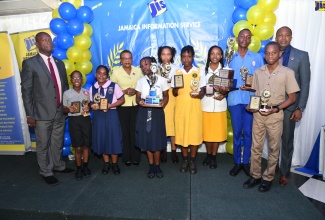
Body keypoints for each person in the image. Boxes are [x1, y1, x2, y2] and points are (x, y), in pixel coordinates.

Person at [243, 41, 300, 192]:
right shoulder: (258, 72)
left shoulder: (287, 73)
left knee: (274, 148)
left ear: (280, 53)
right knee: (256, 147)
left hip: (275, 116)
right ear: (264, 54)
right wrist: (251, 106)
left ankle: (268, 178)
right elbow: (255, 95)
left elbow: (292, 98)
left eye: (273, 52)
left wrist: (276, 108)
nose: (270, 56)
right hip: (259, 115)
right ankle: (255, 176)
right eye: (267, 53)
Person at [21, 32, 74, 186]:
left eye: (49, 39)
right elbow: (26, 90)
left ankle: (58, 165)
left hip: (59, 111)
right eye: (43, 40)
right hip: (41, 112)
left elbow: (64, 86)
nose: (48, 42)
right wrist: (30, 114)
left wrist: (65, 105)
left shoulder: (59, 63)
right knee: (43, 144)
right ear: (37, 44)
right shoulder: (30, 64)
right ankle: (46, 171)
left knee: (57, 141)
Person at [275, 26, 311, 187]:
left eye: (286, 35)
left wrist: (300, 108)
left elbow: (305, 83)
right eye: (280, 35)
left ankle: (284, 172)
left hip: (290, 107)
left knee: (287, 140)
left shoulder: (301, 56)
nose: (283, 38)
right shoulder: (270, 53)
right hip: (272, 106)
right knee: (273, 139)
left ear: (291, 37)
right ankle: (274, 165)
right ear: (276, 37)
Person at [228, 29, 264, 177]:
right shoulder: (230, 57)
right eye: (242, 36)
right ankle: (237, 162)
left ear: (250, 41)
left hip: (251, 101)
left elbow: (261, 80)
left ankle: (247, 162)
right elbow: (225, 78)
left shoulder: (257, 57)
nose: (244, 39)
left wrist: (253, 86)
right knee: (237, 132)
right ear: (237, 39)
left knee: (249, 133)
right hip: (235, 99)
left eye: (248, 37)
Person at [172, 45, 205, 175]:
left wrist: (199, 94)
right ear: (181, 58)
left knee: (194, 133)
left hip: (194, 106)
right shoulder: (177, 72)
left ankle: (192, 161)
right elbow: (174, 93)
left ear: (193, 57)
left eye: (189, 56)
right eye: (184, 56)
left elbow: (202, 91)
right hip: (180, 107)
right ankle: (185, 160)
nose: (186, 59)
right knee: (182, 133)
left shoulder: (199, 71)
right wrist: (175, 86)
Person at [135, 57, 169, 178]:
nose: (144, 67)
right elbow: (137, 97)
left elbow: (166, 96)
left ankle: (158, 166)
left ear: (153, 65)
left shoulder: (162, 80)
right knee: (147, 139)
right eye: (142, 66)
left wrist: (163, 103)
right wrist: (140, 102)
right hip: (144, 111)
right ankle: (151, 166)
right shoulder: (140, 81)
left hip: (157, 112)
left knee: (157, 138)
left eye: (146, 64)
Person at [90, 65, 125, 175]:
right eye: (99, 73)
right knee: (102, 138)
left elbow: (122, 100)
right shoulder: (93, 88)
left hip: (111, 115)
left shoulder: (114, 86)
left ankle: (114, 164)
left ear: (107, 75)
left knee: (113, 138)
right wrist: (93, 106)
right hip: (99, 117)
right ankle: (106, 163)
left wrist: (110, 106)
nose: (101, 75)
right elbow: (91, 102)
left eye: (104, 74)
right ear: (96, 75)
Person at [111, 50, 143, 166]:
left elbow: (143, 86)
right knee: (124, 132)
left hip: (136, 105)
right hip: (122, 106)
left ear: (132, 59)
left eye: (129, 58)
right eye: (124, 58)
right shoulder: (115, 72)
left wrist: (136, 91)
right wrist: (124, 91)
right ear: (120, 60)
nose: (127, 60)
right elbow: (111, 90)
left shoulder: (138, 71)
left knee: (135, 131)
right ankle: (126, 157)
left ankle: (136, 157)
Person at [201, 46, 228, 169]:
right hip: (205, 105)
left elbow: (228, 88)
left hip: (219, 105)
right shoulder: (202, 70)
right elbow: (199, 87)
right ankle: (208, 154)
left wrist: (224, 93)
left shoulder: (226, 70)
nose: (215, 56)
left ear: (221, 56)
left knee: (216, 134)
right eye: (212, 53)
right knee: (207, 133)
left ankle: (213, 156)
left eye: (218, 54)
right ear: (209, 55)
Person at [63, 71, 92, 181]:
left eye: (78, 78)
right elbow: (63, 108)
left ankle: (85, 167)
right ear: (71, 80)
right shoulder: (66, 93)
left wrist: (88, 107)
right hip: (74, 120)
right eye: (74, 78)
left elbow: (88, 104)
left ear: (82, 80)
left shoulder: (86, 92)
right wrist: (68, 109)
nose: (76, 80)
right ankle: (78, 169)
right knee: (78, 147)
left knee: (86, 145)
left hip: (85, 119)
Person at [157, 46, 179, 164]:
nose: (166, 57)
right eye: (163, 54)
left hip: (173, 97)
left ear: (172, 55)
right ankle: (164, 150)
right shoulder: (156, 69)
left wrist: (172, 82)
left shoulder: (176, 69)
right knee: (163, 124)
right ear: (160, 56)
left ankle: (174, 151)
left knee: (173, 125)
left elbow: (180, 83)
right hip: (162, 97)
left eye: (168, 54)